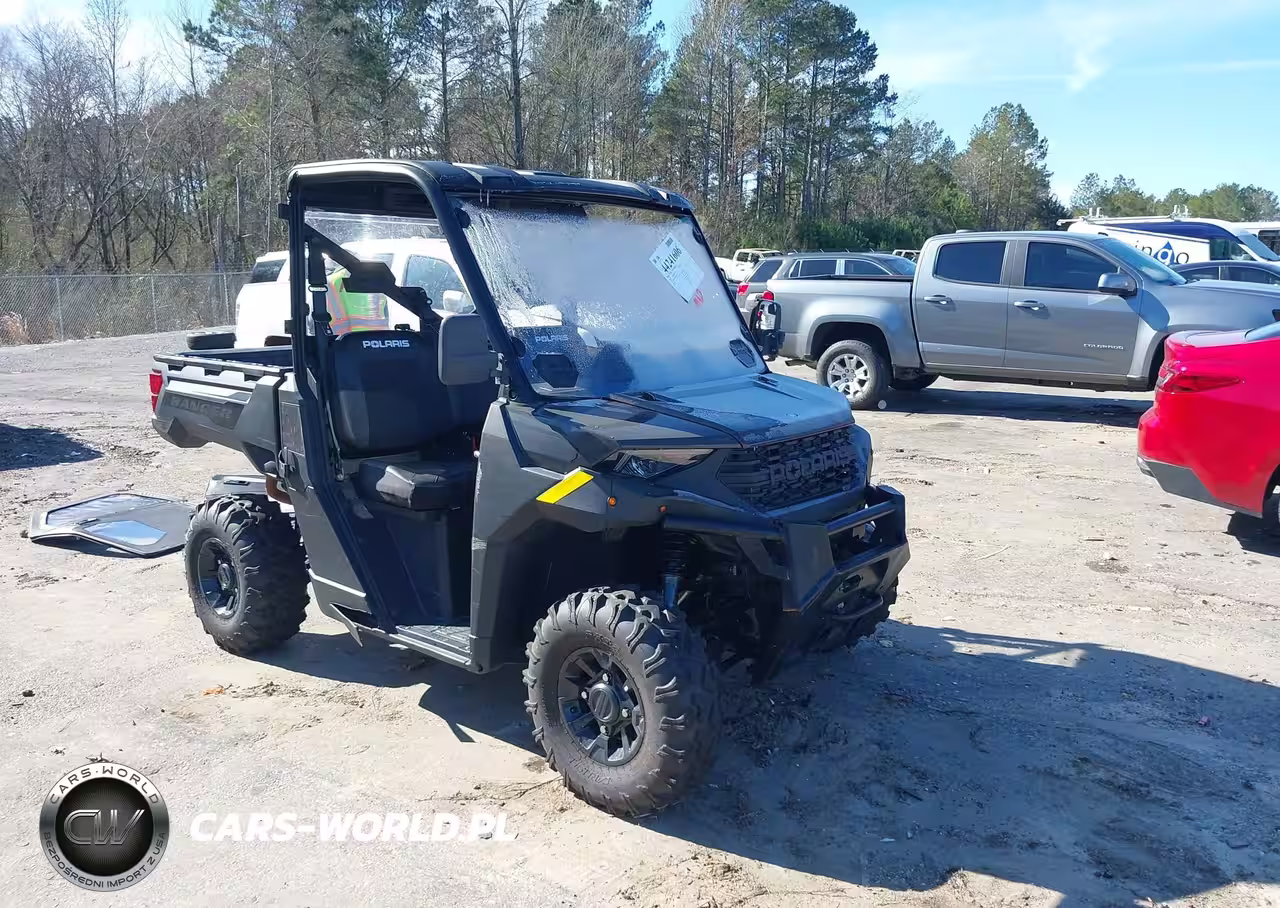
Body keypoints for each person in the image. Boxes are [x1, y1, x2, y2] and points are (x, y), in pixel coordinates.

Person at [326, 266, 389, 334]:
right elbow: (385, 316)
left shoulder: (330, 282)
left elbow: (313, 327)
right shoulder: (377, 280)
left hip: (343, 340)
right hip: (378, 340)